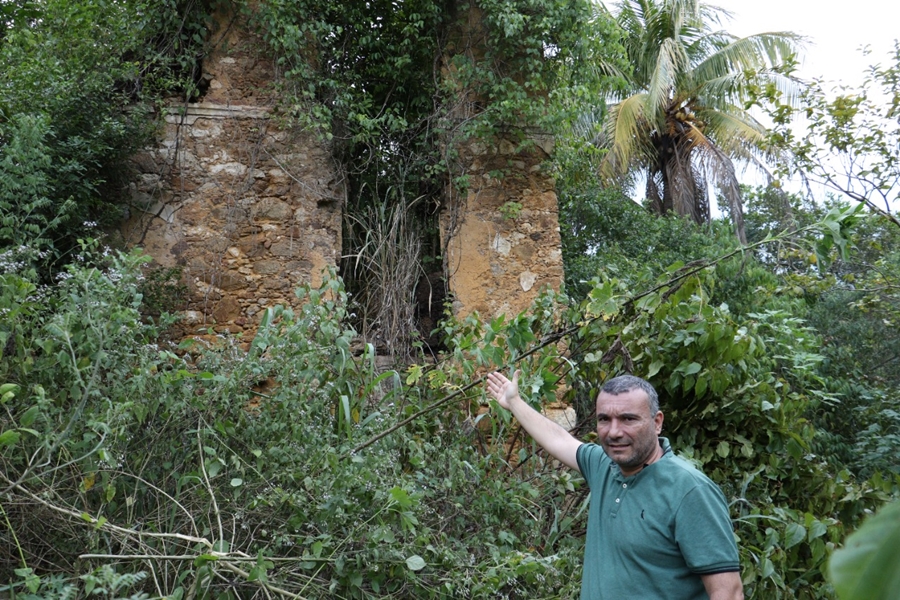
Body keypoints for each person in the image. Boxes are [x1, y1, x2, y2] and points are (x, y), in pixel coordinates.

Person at [486, 370, 743, 600]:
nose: (614, 432)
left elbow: (728, 591)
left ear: (657, 422)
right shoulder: (603, 467)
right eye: (604, 419)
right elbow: (559, 440)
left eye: (628, 419)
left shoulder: (689, 490)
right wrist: (514, 402)